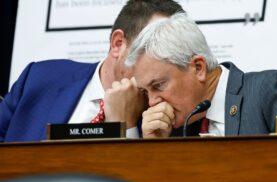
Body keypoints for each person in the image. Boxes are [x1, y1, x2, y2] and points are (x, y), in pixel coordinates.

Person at [0, 0, 183, 142]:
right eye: (154, 50)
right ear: (118, 44)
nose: (159, 67)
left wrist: (126, 128)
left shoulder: (164, 119)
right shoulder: (38, 79)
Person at [124, 13, 277, 138]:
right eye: (145, 91)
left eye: (158, 85)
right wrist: (157, 149)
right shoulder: (172, 127)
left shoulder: (272, 92)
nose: (151, 102)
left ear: (198, 67)